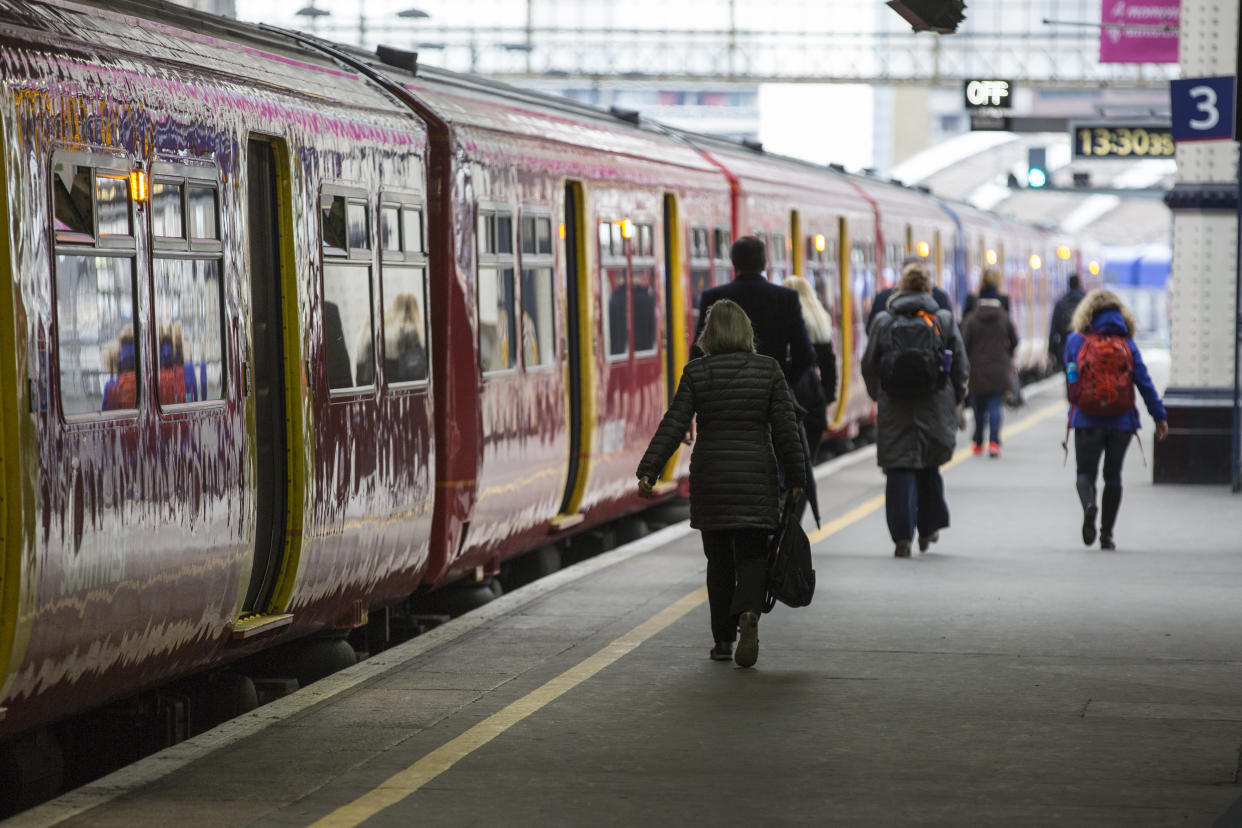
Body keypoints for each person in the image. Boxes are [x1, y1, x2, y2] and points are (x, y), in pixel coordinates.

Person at [637, 299, 806, 668]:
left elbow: (674, 422)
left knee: (718, 562)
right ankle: (748, 613)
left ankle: (722, 642)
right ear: (747, 333)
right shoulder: (769, 370)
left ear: (709, 335)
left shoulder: (698, 372)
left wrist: (649, 469)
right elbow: (785, 430)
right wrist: (796, 478)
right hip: (756, 476)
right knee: (750, 554)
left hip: (712, 478)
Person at [862, 259, 968, 558]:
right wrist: (956, 396)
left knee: (899, 467)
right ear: (928, 288)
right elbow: (960, 364)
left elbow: (868, 363)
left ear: (901, 287)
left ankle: (901, 538)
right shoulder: (943, 320)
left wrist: (877, 394)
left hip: (894, 405)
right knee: (928, 463)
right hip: (935, 402)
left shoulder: (884, 321)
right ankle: (929, 527)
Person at [1064, 289, 1168, 550]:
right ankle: (1107, 534)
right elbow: (1143, 382)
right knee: (1114, 476)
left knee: (1085, 473)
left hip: (1086, 419)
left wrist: (1077, 404)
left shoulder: (1076, 341)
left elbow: (1071, 381)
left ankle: (1089, 505)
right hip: (1121, 422)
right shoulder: (1127, 343)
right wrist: (1159, 416)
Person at [691, 236, 815, 387]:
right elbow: (805, 355)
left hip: (726, 397)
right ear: (764, 264)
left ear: (734, 264)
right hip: (771, 398)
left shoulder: (713, 297)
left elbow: (698, 353)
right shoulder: (786, 298)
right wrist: (782, 382)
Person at [961, 267, 1018, 457]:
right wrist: (1007, 353)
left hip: (977, 368)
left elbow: (964, 343)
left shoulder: (972, 318)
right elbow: (1015, 340)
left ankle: (978, 442)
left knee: (979, 408)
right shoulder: (1003, 317)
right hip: (999, 367)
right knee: (995, 407)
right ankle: (994, 442)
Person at [783, 274, 837, 460]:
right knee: (807, 462)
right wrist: (827, 397)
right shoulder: (820, 319)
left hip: (793, 396)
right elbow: (829, 365)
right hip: (814, 399)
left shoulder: (790, 319)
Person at [867, 255, 953, 332]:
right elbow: (952, 338)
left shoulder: (883, 298)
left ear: (902, 272)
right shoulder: (939, 297)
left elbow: (870, 331)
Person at [1048, 274, 1086, 372]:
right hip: (1085, 346)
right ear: (1079, 284)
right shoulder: (1087, 301)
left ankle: (1071, 386)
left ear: (1069, 285)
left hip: (1067, 346)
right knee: (1084, 376)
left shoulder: (1061, 302)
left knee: (1071, 376)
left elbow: (1053, 327)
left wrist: (1051, 349)